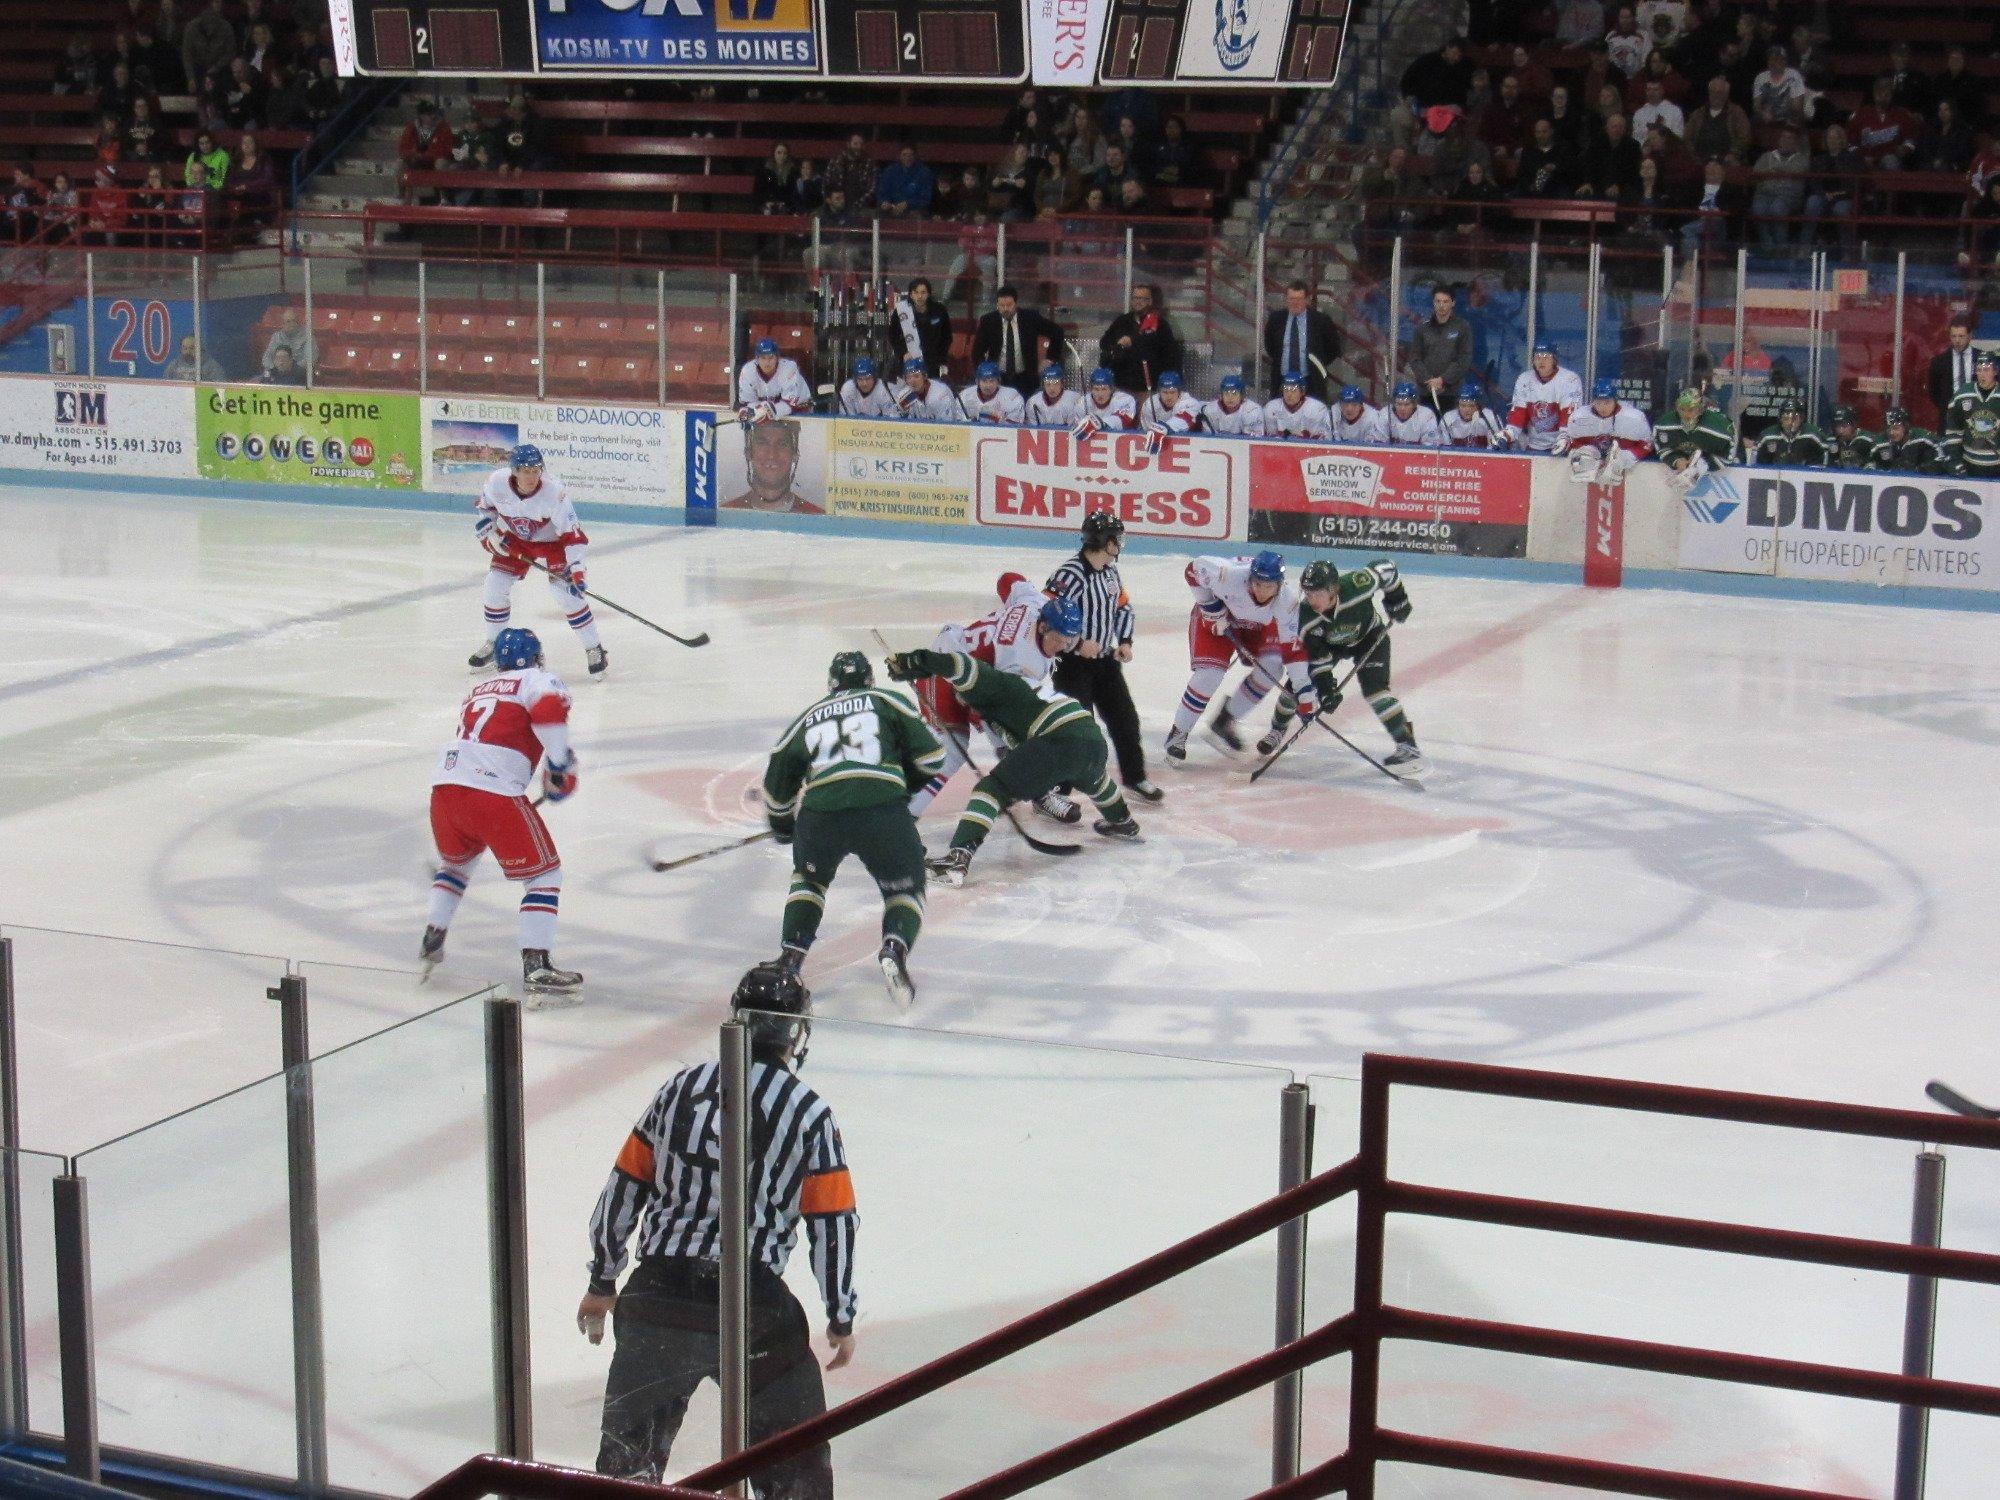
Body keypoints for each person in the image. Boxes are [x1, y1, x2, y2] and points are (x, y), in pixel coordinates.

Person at [582, 962, 851, 1494]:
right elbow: (832, 1225)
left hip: (658, 1296)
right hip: (753, 1310)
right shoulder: (808, 1111)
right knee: (794, 1464)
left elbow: (623, 1188)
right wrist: (839, 1314)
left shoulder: (680, 1086)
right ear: (794, 1030)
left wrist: (602, 1282)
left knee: (624, 1471)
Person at [887, 624, 1141, 887]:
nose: (962, 702)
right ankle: (1123, 821)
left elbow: (961, 665)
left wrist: (917, 660)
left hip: (1058, 738)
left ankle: (958, 856)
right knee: (1096, 781)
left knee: (990, 789)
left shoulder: (997, 683)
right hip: (1092, 742)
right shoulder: (1020, 693)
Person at [764, 652, 943, 1005]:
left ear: (831, 684)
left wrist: (783, 825)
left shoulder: (808, 715)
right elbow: (932, 758)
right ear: (869, 681)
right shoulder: (887, 700)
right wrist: (899, 786)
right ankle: (894, 947)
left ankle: (791, 958)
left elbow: (778, 780)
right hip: (882, 812)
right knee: (905, 889)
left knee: (809, 880)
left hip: (820, 815)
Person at [423, 626, 582, 1002]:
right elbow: (547, 711)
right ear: (536, 657)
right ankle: (537, 965)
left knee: (456, 865)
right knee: (545, 875)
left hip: (444, 790)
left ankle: (434, 933)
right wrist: (559, 764)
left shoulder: (477, 691)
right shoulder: (536, 679)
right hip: (491, 791)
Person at [904, 573, 1069, 817]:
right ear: (1044, 626)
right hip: (946, 666)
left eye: (1070, 638)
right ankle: (902, 818)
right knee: (953, 751)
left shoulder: (1033, 601)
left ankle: (1033, 791)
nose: (1064, 645)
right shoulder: (1022, 661)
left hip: (973, 670)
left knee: (1015, 737)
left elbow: (1008, 579)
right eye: (1059, 638)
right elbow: (989, 702)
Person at [1261, 559, 1423, 777]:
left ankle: (1407, 745)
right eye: (1308, 593)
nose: (1311, 599)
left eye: (1317, 593)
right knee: (1294, 688)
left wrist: (1397, 597)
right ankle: (1277, 730)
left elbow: (1387, 568)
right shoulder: (1307, 618)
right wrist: (1326, 688)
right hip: (1331, 647)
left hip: (1369, 638)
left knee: (1376, 692)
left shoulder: (1355, 586)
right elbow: (1318, 658)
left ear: (1334, 589)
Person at [1046, 512, 1161, 809]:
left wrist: (1124, 641)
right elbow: (1046, 615)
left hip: (1106, 663)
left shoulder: (1110, 572)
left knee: (1125, 720)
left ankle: (1134, 776)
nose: (1121, 544)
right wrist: (1076, 643)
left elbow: (1123, 608)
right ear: (1105, 541)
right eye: (1117, 538)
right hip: (1072, 666)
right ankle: (1057, 789)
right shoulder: (1070, 574)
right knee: (1078, 729)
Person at [1164, 551, 1317, 765]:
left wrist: (1304, 691)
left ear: (1280, 584)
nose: (1262, 592)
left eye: (1269, 586)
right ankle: (1178, 734)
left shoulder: (1287, 600)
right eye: (1258, 584)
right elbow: (1192, 570)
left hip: (1258, 626)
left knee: (1272, 668)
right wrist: (1211, 610)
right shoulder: (1229, 575)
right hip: (1220, 619)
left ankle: (1225, 721)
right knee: (1210, 675)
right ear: (1250, 577)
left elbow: (1292, 648)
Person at [469, 444, 608, 676]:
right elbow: (486, 511)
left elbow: (573, 535)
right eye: (526, 470)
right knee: (495, 584)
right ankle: (493, 644)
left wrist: (577, 570)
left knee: (565, 593)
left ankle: (594, 648)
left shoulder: (554, 492)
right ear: (514, 471)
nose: (532, 476)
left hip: (553, 544)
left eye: (536, 470)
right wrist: (491, 535)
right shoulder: (496, 482)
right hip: (516, 541)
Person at [970, 286, 1065, 398]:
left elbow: (1057, 332)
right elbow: (977, 351)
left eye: (1009, 305)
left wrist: (1050, 359)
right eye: (1001, 305)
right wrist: (984, 373)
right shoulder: (988, 321)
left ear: (1016, 303)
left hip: (1025, 377)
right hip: (998, 377)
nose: (1005, 309)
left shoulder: (1030, 318)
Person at [1559, 377, 1654, 483]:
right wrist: (1579, 451)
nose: (1602, 408)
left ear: (1615, 400)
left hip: (1626, 472)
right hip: (1590, 469)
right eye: (1598, 402)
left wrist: (1627, 457)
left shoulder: (1634, 418)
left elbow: (1647, 444)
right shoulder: (1578, 417)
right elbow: (1573, 442)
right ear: (1593, 401)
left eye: (1607, 402)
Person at [1261, 281, 1340, 402]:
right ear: (1286, 299)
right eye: (1291, 298)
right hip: (1282, 380)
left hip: (1312, 380)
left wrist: (1317, 363)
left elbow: (1333, 349)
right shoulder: (1276, 319)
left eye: (1299, 299)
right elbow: (1271, 347)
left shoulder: (1321, 320)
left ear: (1307, 300)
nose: (1295, 302)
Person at [1098, 285, 1180, 395]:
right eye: (1135, 298)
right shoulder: (1122, 321)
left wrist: (1133, 342)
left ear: (1150, 301)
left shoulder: (1160, 324)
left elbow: (1169, 354)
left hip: (1147, 387)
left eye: (1142, 299)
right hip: (1122, 386)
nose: (1138, 302)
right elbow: (1104, 342)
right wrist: (1117, 345)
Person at [724, 421, 821, 513]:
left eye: (782, 444)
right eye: (762, 443)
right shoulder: (724, 514)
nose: (771, 455)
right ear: (748, 453)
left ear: (795, 455)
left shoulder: (818, 517)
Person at [1507, 342, 1584, 453]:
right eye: (1537, 357)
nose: (1541, 361)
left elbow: (1570, 416)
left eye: (1546, 357)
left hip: (1561, 448)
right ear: (1533, 360)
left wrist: (1565, 439)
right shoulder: (1524, 379)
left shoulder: (1570, 379)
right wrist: (1507, 434)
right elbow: (1518, 414)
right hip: (1533, 446)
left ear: (1554, 360)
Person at [1405, 286, 1474, 410]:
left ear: (1453, 303)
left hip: (1452, 392)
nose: (1441, 305)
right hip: (1426, 391)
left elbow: (1464, 359)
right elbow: (1415, 358)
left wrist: (1443, 380)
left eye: (1445, 301)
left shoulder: (1462, 327)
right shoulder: (1422, 328)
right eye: (1438, 301)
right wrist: (1429, 380)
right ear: (1433, 302)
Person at [1654, 386, 1736, 489]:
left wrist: (1703, 464)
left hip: (1719, 481)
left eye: (1691, 410)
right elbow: (1661, 447)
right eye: (1682, 409)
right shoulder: (1664, 425)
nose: (1685, 414)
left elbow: (1730, 454)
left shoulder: (1718, 427)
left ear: (1700, 409)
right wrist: (1676, 460)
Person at [1750, 126, 1810, 249]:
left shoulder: (1801, 159)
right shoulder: (1766, 157)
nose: (1785, 141)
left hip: (1789, 196)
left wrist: (1775, 170)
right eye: (1783, 137)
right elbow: (1756, 173)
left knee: (1777, 209)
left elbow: (1797, 172)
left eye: (1789, 138)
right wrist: (1773, 172)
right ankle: (1768, 244)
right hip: (1764, 193)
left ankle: (1781, 247)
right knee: (1758, 209)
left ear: (1795, 142)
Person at [1944, 351, 2000, 478]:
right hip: (1969, 464)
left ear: (1995, 371)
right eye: (1979, 370)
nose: (1982, 374)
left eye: (1986, 370)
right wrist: (1955, 460)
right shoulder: (1963, 395)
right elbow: (1953, 431)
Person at [736, 338, 814, 425]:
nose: (767, 362)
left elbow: (790, 403)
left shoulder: (789, 368)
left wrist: (767, 412)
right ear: (757, 359)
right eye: (763, 358)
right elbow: (749, 402)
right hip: (770, 413)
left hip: (800, 412)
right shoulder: (748, 371)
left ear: (777, 358)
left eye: (771, 357)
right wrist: (750, 411)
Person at [893, 278, 952, 380]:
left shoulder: (939, 310)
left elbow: (947, 336)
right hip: (910, 359)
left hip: (933, 361)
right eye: (916, 292)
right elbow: (893, 336)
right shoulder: (901, 311)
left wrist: (941, 359)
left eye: (923, 292)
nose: (919, 296)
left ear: (928, 294)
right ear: (911, 295)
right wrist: (903, 353)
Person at [1928, 315, 1978, 427]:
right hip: (1949, 415)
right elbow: (1933, 392)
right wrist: (1947, 406)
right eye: (1953, 336)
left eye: (1961, 336)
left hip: (1977, 414)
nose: (1957, 340)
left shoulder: (1981, 358)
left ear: (1970, 335)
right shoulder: (1939, 361)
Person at [1749, 399, 1827, 465]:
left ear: (1801, 419)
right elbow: (1754, 463)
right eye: (1786, 418)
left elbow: (1826, 455)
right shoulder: (1767, 436)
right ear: (1780, 419)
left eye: (1795, 419)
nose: (1790, 423)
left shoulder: (1813, 434)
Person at [1870, 408, 1945, 474]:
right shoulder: (1881, 442)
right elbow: (1870, 464)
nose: (1891, 433)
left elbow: (1941, 460)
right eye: (1888, 429)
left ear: (1906, 426)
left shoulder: (1924, 440)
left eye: (1896, 428)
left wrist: (1919, 470)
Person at [1138, 371, 1200, 444]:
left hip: (1191, 443)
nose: (1169, 397)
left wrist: (1163, 428)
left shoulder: (1190, 403)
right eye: (1165, 392)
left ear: (1179, 392)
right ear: (1159, 392)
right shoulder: (1150, 404)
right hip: (1159, 444)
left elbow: (1181, 420)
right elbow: (1147, 431)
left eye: (1172, 392)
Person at [891, 357, 961, 422]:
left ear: (925, 376)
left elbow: (946, 428)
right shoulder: (905, 396)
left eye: (916, 376)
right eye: (909, 377)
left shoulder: (940, 395)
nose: (912, 381)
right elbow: (893, 420)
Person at [874, 143, 934, 219]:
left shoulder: (924, 172)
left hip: (915, 209)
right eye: (904, 154)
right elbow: (882, 192)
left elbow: (925, 198)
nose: (907, 158)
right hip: (892, 208)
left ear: (915, 156)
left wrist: (907, 204)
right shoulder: (890, 171)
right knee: (877, 215)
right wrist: (884, 202)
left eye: (910, 155)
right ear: (899, 156)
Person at [1442, 381, 1511, 447]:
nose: (1467, 410)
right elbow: (1444, 449)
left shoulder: (1490, 418)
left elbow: (1496, 448)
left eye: (1471, 406)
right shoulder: (1448, 419)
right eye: (1463, 405)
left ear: (1479, 406)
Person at [1073, 367, 1138, 433]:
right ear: (1090, 390)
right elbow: (1079, 429)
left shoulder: (1125, 399)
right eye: (1096, 389)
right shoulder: (1082, 403)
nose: (1100, 394)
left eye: (1104, 389)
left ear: (1112, 390)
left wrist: (1101, 423)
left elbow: (1124, 420)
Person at [959, 361, 1025, 424]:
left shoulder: (1012, 397)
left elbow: (1016, 428)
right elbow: (956, 423)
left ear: (998, 381)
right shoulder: (964, 396)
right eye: (984, 381)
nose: (988, 385)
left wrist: (998, 419)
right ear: (977, 381)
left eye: (992, 381)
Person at [1200, 373, 1265, 435]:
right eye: (1226, 393)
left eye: (1234, 393)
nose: (1230, 398)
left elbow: (1252, 440)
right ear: (1221, 396)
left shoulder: (1252, 410)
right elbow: (1208, 439)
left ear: (1242, 395)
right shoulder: (1210, 409)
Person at [1383, 382, 1443, 446]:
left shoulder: (1426, 415)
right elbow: (1379, 444)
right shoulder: (1385, 413)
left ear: (1414, 404)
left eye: (1407, 404)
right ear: (1394, 404)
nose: (1402, 408)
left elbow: (1430, 447)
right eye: (1399, 404)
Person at [1823, 405, 1877, 469]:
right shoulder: (1832, 440)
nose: (1841, 431)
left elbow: (1873, 467)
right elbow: (1828, 466)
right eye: (1838, 426)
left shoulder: (1867, 440)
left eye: (1844, 426)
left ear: (1853, 425)